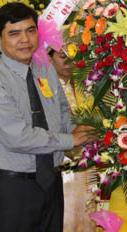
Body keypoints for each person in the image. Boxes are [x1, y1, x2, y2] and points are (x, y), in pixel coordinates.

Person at [0, 2, 94, 232]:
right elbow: (17, 137)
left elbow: (62, 113)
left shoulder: (44, 70)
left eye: (30, 30)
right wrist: (71, 140)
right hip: (13, 189)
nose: (25, 40)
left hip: (51, 184)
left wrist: (86, 132)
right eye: (14, 33)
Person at [48, 48, 96, 232]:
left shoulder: (87, 83)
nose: (69, 63)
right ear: (50, 58)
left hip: (88, 157)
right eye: (62, 57)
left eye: (74, 57)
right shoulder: (45, 87)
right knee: (66, 212)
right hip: (61, 159)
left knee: (87, 208)